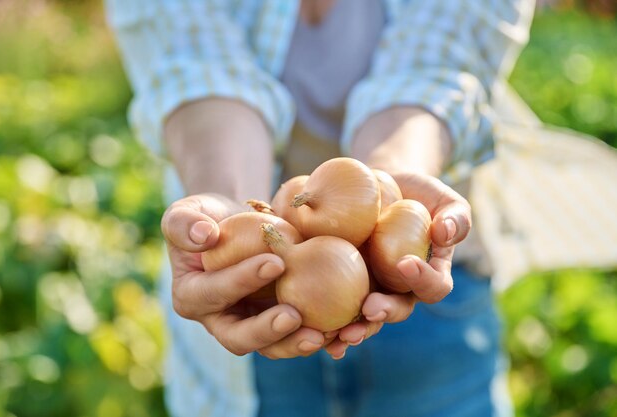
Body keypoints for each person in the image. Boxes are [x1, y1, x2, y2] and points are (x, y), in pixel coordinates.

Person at [106, 0, 535, 416]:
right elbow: (195, 65)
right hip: (251, 301)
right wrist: (227, 206)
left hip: (428, 305)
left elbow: (437, 63)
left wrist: (389, 184)